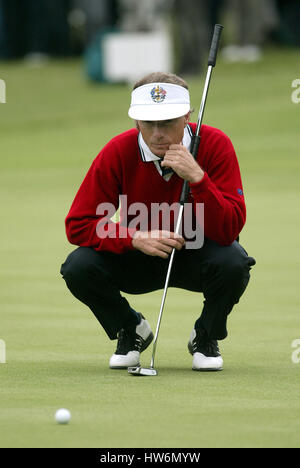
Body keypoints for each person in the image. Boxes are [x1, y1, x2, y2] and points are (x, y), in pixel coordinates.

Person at [60, 71, 255, 372]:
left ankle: (205, 335)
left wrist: (198, 179)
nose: (157, 134)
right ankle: (130, 328)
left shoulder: (215, 145)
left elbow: (230, 229)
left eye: (167, 122)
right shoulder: (119, 151)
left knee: (235, 262)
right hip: (139, 257)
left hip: (198, 257)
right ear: (136, 120)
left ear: (187, 115)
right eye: (148, 123)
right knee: (78, 266)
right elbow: (79, 223)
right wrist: (134, 238)